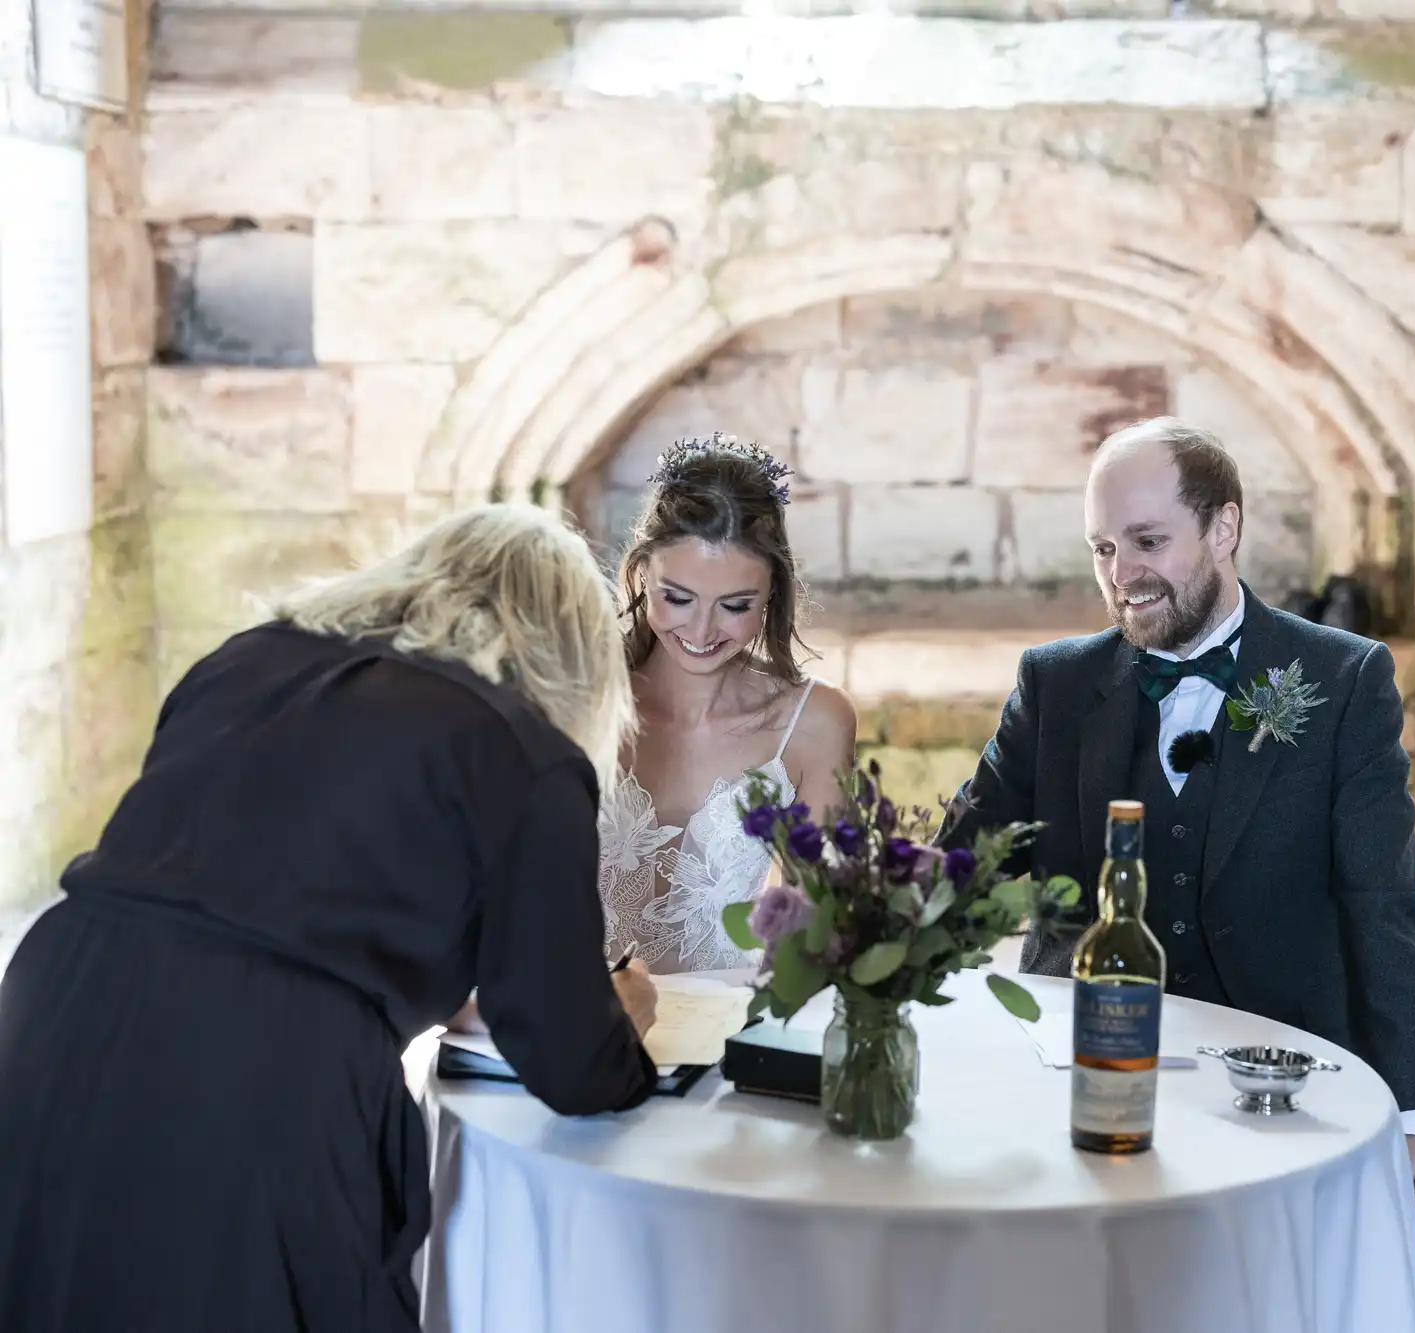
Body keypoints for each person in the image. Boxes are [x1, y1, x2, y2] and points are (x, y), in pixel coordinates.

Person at [0, 505, 662, 1333]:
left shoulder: (245, 660)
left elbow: (243, 891)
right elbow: (571, 1063)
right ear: (574, 649)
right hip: (266, 1066)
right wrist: (623, 1026)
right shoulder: (524, 751)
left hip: (56, 1000)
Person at [948, 416, 1415, 1329]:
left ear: (1224, 528)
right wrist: (869, 919)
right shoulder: (1058, 684)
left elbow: (1381, 897)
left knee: (1392, 1276)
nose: (1122, 574)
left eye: (1149, 542)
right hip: (1092, 1063)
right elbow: (971, 856)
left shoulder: (1343, 677)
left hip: (1281, 1062)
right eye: (1104, 548)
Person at [597, 432, 857, 975]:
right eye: (676, 598)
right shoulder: (578, 697)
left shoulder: (813, 724)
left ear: (772, 596)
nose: (700, 629)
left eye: (734, 605)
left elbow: (808, 930)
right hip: (569, 1027)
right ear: (642, 572)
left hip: (728, 1032)